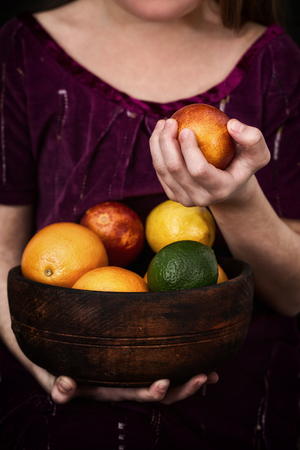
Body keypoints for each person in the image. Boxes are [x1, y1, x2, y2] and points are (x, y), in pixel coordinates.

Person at [0, 0, 299, 448]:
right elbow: (3, 254)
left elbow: (291, 295)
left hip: (240, 395)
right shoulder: (21, 52)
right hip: (63, 398)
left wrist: (237, 199)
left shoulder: (275, 63)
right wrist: (50, 365)